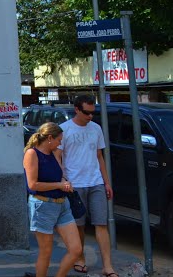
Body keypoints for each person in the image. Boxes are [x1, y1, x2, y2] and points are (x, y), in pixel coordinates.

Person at [58, 95, 117, 277]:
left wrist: (106, 182)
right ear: (76, 109)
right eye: (86, 113)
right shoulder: (64, 129)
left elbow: (99, 156)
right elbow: (57, 157)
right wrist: (63, 180)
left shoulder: (96, 128)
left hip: (96, 181)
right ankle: (80, 259)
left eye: (93, 113)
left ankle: (108, 266)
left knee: (101, 224)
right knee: (79, 226)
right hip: (75, 184)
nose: (90, 116)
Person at [23, 121, 83, 277]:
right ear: (50, 138)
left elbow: (58, 175)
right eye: (58, 140)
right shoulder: (32, 154)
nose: (60, 143)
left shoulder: (53, 153)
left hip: (63, 205)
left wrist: (64, 182)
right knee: (46, 252)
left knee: (76, 249)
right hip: (43, 205)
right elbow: (32, 184)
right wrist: (59, 185)